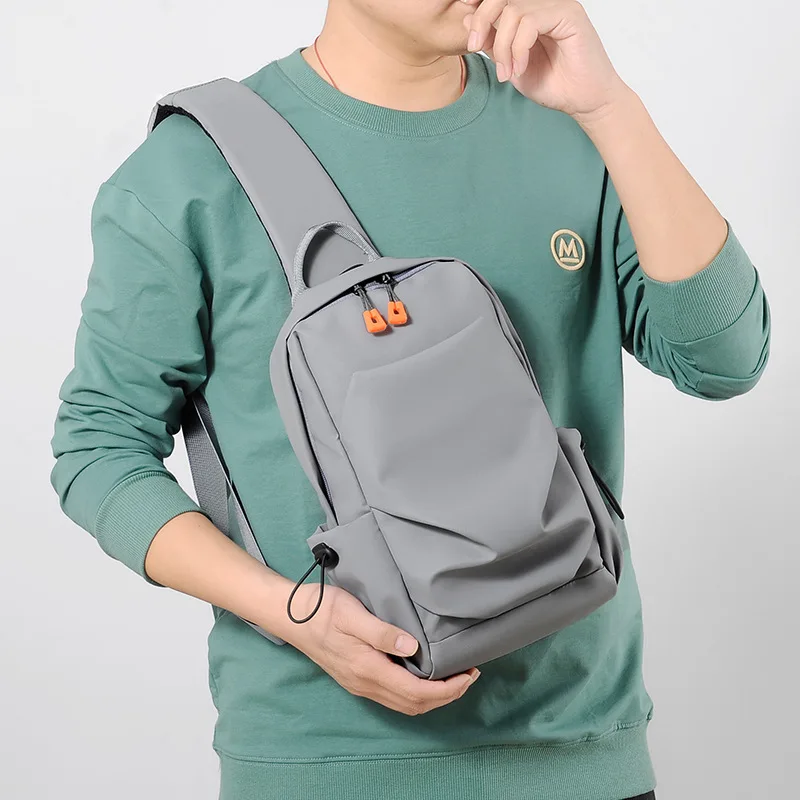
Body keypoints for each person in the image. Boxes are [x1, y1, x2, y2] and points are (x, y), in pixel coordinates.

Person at [49, 1, 771, 799]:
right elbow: (98, 451)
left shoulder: (570, 124)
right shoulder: (191, 172)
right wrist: (292, 612)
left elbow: (725, 360)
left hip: (581, 752)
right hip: (323, 763)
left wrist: (610, 108)